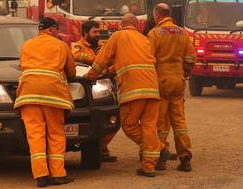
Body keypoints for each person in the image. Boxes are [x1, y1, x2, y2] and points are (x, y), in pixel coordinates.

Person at [85, 13, 169, 177]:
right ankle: (149, 166)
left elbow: (103, 57)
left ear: (121, 26)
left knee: (129, 125)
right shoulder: (144, 39)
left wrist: (91, 76)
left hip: (134, 90)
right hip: (152, 90)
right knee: (149, 127)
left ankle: (158, 148)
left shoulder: (118, 36)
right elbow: (132, 62)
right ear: (136, 26)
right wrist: (111, 71)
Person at [15, 17, 76, 187]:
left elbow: (23, 66)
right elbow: (71, 71)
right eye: (57, 29)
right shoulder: (60, 45)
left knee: (35, 136)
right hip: (53, 95)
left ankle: (41, 176)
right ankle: (58, 175)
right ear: (52, 29)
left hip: (28, 94)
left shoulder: (26, 45)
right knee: (55, 134)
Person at [147, 3, 196, 172]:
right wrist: (185, 73)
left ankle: (160, 159)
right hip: (178, 81)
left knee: (160, 122)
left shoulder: (154, 33)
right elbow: (191, 57)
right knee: (179, 121)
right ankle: (185, 158)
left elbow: (149, 58)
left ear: (158, 16)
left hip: (161, 82)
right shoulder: (182, 32)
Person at [72, 20, 117, 163]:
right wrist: (100, 60)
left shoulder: (103, 46)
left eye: (99, 32)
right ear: (85, 33)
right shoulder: (77, 47)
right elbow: (77, 57)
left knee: (113, 121)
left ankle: (101, 147)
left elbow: (113, 60)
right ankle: (101, 150)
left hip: (104, 87)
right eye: (94, 32)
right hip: (86, 90)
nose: (98, 35)